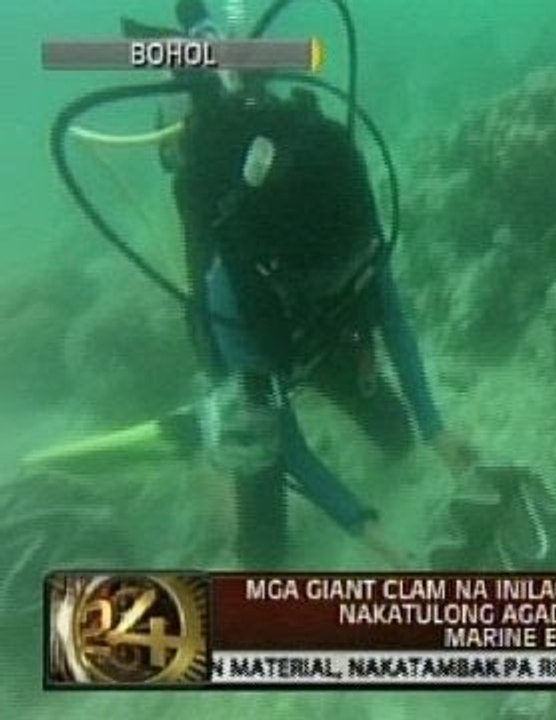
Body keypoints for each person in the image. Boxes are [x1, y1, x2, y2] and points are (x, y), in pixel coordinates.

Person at [165, 1, 475, 568]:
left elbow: (395, 323)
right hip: (265, 343)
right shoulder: (235, 291)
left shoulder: (349, 216)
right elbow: (293, 449)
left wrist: (436, 431)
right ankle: (204, 444)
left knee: (397, 435)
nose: (352, 274)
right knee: (263, 549)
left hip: (317, 334)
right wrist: (372, 534)